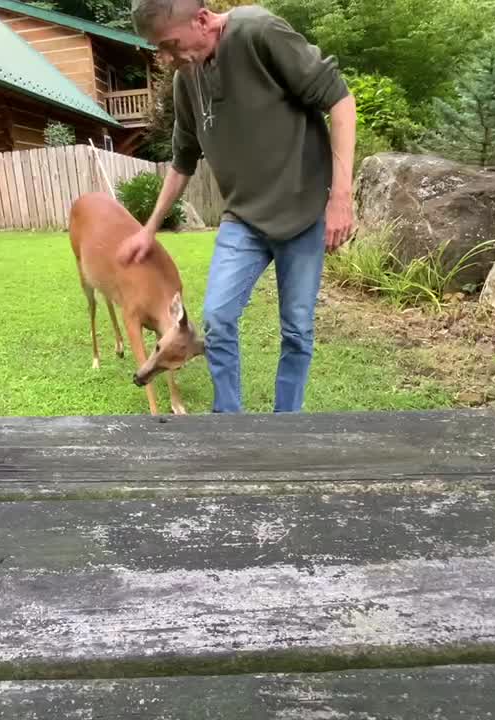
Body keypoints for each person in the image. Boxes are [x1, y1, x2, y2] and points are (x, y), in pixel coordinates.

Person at [120, 0, 356, 414]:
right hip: (244, 218)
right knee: (217, 316)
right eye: (161, 49)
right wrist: (149, 227)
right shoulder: (186, 80)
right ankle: (228, 419)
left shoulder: (258, 32)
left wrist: (340, 197)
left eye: (171, 45)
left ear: (202, 18)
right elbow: (182, 161)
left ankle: (287, 421)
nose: (169, 58)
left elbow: (339, 100)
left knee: (297, 329)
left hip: (302, 213)